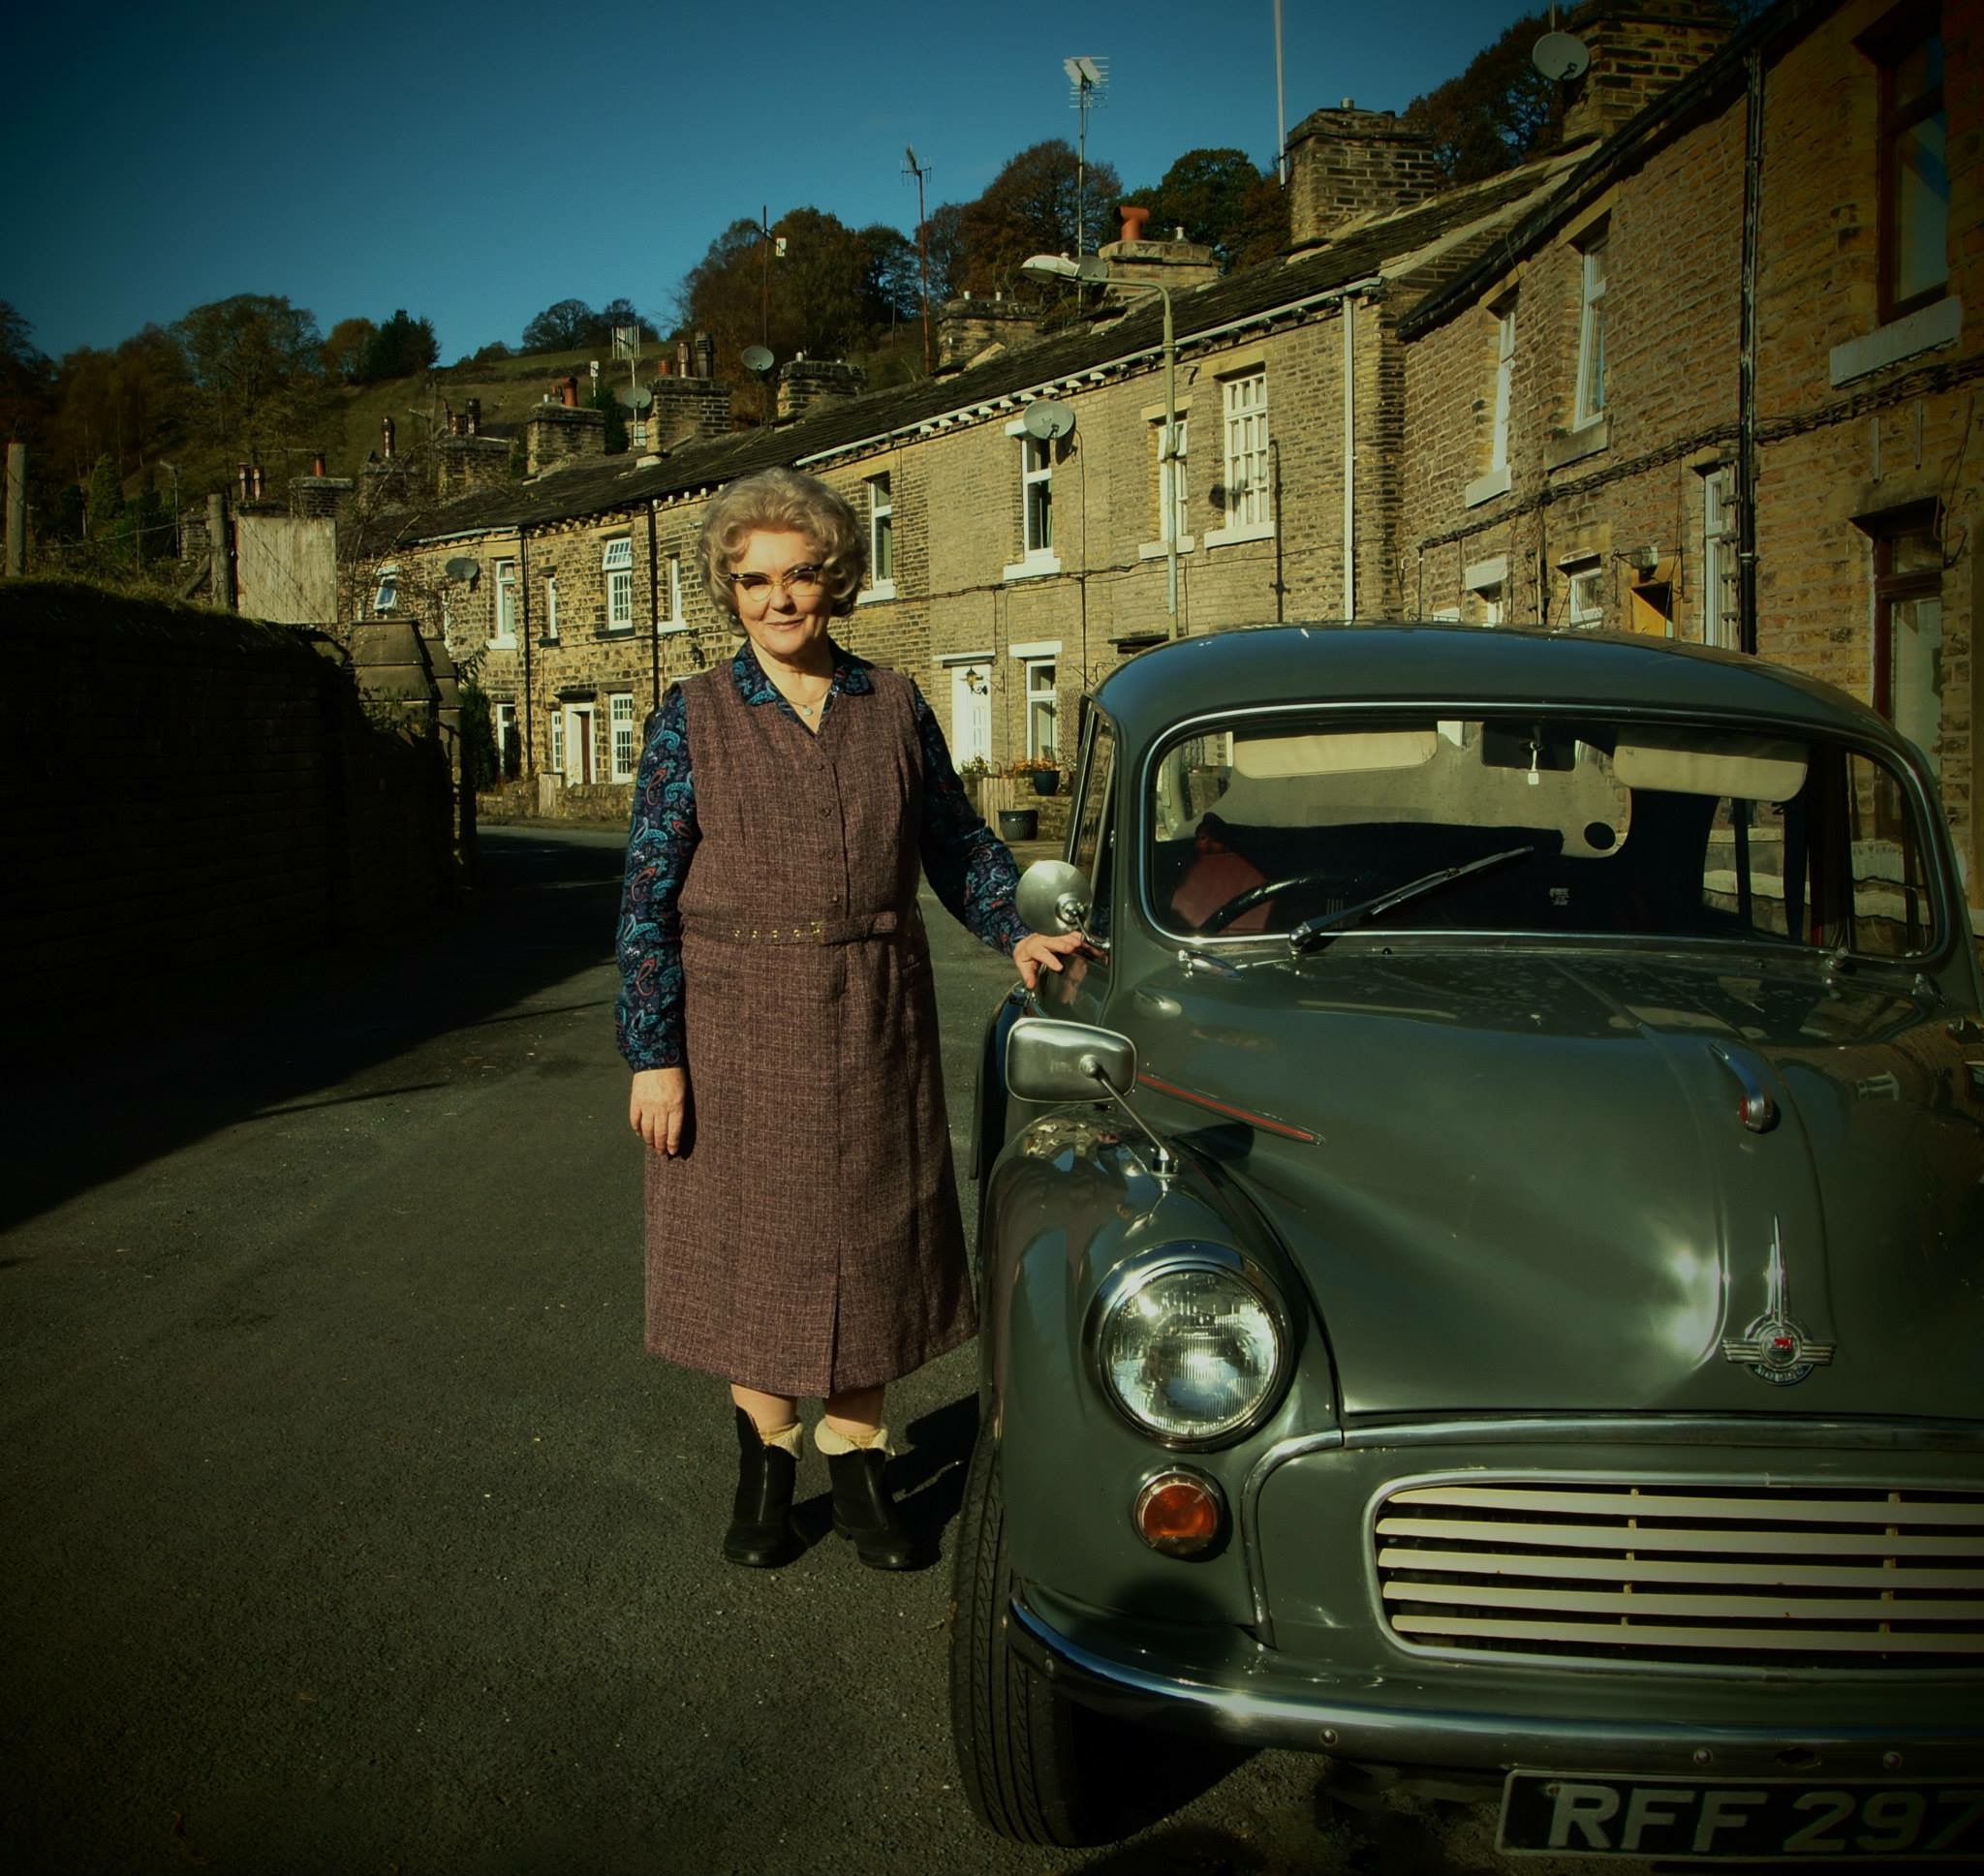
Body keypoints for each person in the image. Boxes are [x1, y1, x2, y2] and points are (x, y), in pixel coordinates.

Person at [614, 467, 1082, 1571]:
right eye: (754, 580)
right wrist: (653, 1054)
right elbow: (644, 894)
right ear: (729, 592)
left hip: (876, 1008)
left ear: (837, 579)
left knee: (872, 1240)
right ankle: (764, 1465)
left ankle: (857, 1462)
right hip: (736, 1018)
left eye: (802, 575)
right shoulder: (691, 716)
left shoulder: (894, 701)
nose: (779, 599)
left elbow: (958, 845)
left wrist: (1011, 927)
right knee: (754, 1249)